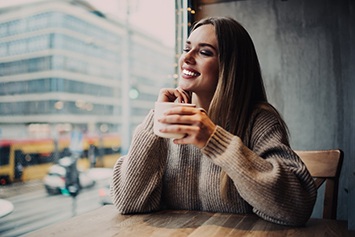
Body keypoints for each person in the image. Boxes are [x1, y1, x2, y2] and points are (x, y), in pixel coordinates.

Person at [110, 16, 317, 226]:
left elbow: (296, 208)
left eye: (204, 52)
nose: (187, 58)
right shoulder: (169, 116)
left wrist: (214, 139)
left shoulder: (258, 120)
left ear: (230, 67)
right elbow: (128, 202)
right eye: (186, 48)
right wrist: (156, 117)